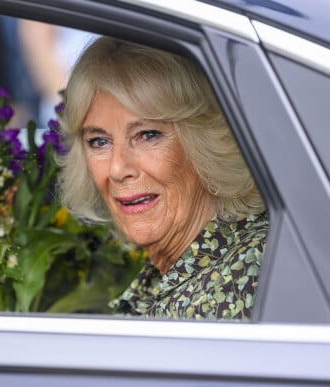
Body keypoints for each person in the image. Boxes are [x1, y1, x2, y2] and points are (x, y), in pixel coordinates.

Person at [56, 37, 268, 320]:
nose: (118, 169)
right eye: (99, 141)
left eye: (147, 135)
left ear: (204, 142)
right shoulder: (178, 272)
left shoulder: (238, 281)